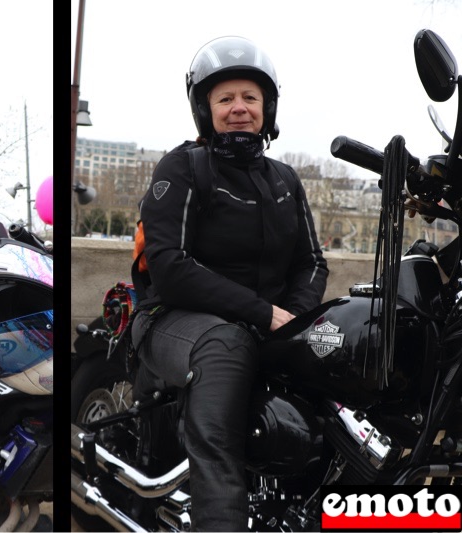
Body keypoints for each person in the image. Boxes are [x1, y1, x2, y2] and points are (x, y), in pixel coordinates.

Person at [130, 36, 329, 531]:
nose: (239, 108)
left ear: (267, 107)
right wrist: (262, 313)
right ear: (205, 109)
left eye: (250, 98)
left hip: (265, 326)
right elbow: (170, 267)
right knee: (227, 345)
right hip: (172, 320)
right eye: (225, 99)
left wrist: (294, 320)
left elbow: (312, 263)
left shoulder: (286, 179)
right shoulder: (184, 167)